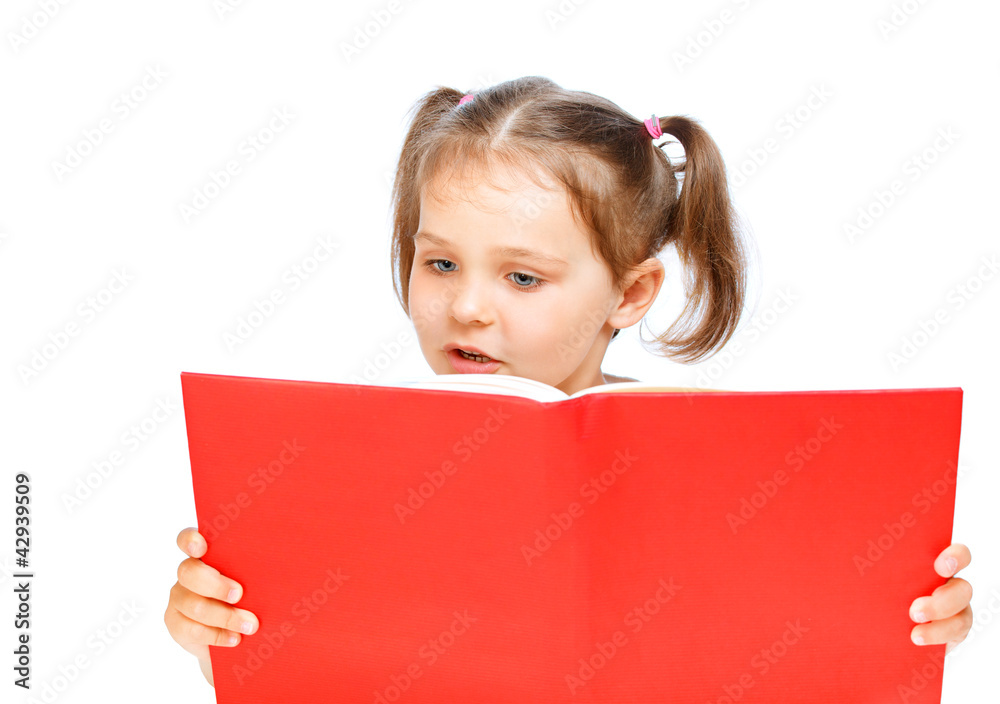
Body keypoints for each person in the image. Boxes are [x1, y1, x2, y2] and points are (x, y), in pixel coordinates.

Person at [164, 76, 973, 686]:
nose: (467, 307)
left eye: (522, 278)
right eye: (439, 263)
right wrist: (216, 639)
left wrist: (912, 618)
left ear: (630, 293)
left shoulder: (730, 461)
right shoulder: (343, 464)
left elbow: (806, 653)